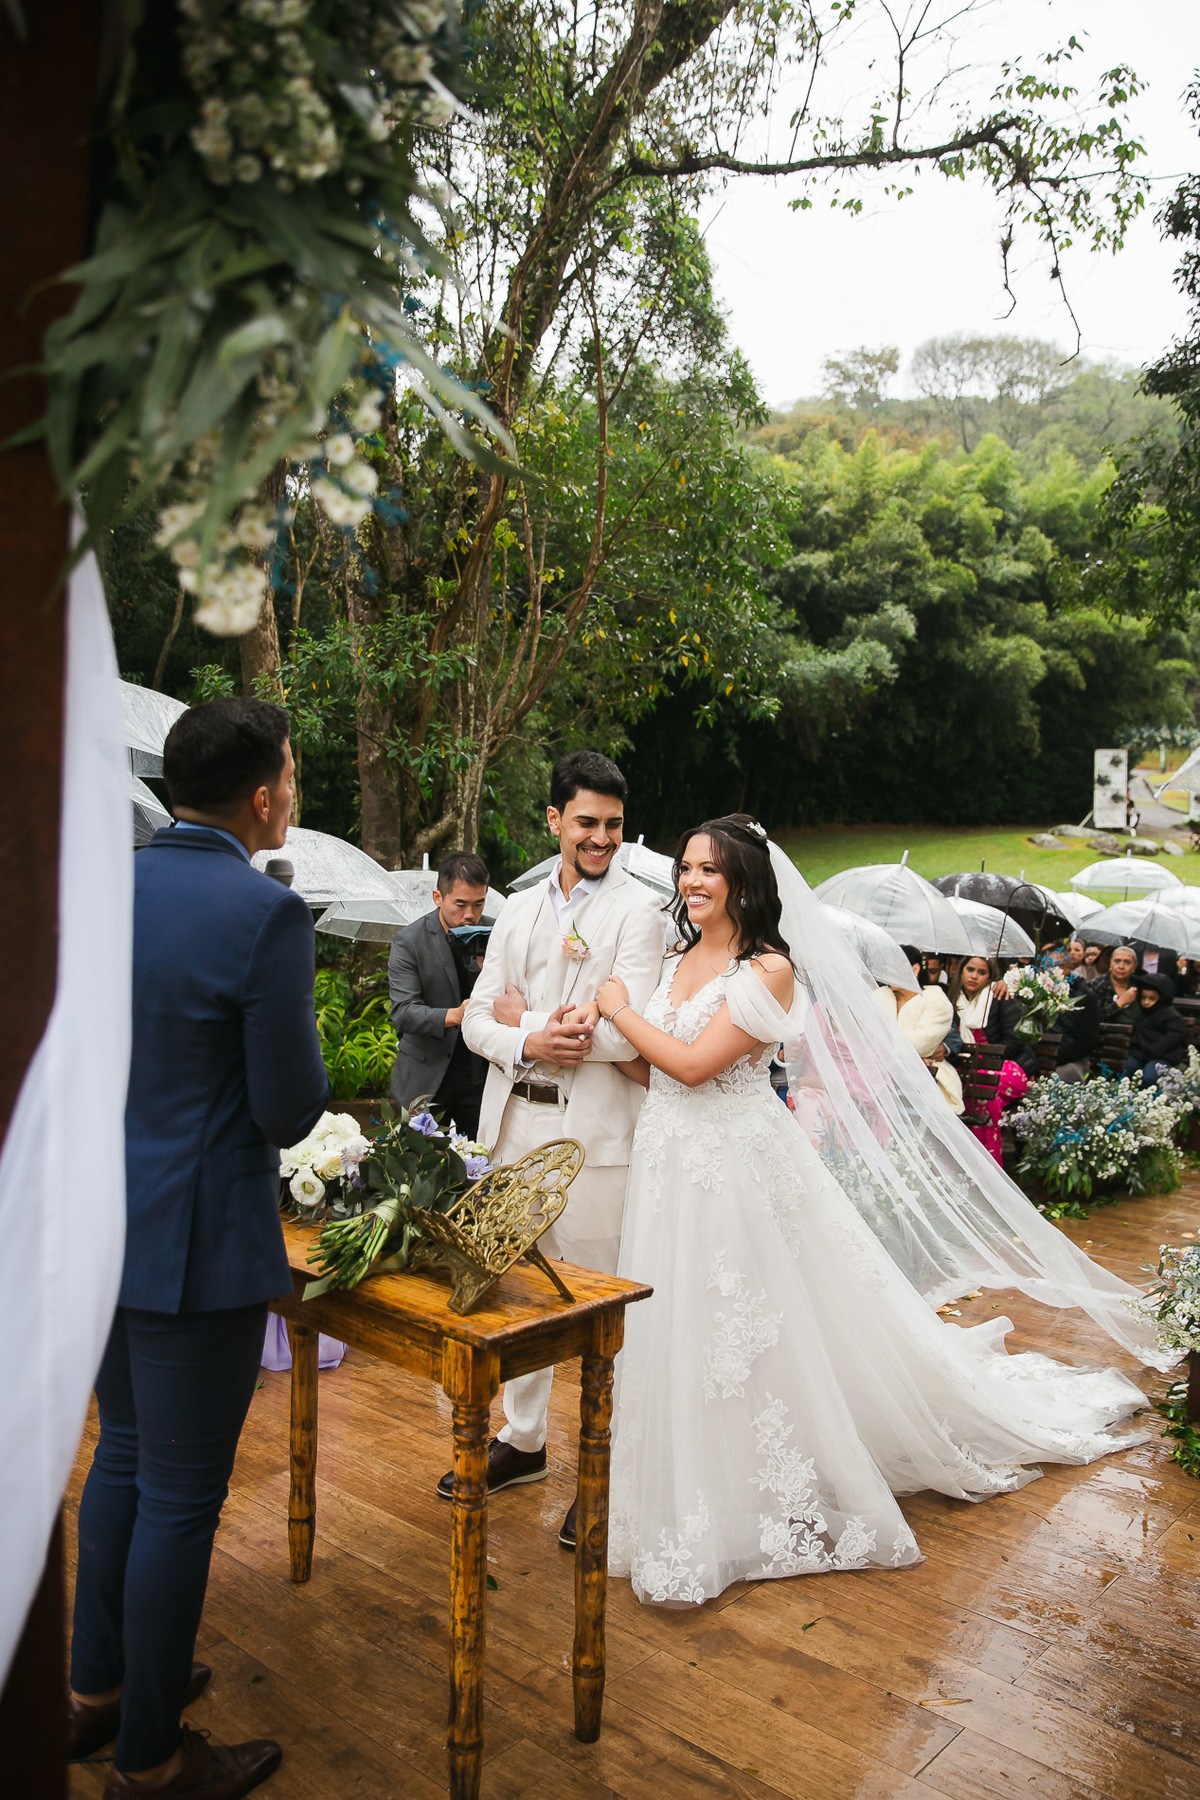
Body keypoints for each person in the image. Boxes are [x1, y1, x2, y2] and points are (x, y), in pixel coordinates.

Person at [587, 817, 1147, 1607]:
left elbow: (691, 1064)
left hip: (736, 1170)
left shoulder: (770, 969)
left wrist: (613, 1006)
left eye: (709, 870)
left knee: (742, 1320)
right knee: (679, 1319)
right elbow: (660, 1077)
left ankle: (756, 1489)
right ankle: (689, 1477)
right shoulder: (677, 959)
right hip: (671, 1162)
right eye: (685, 869)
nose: (692, 882)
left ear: (744, 880)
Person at [69, 699, 330, 1797]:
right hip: (195, 1241)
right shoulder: (263, 915)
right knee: (180, 1497)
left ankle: (97, 1691)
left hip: (93, 1226)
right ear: (265, 796)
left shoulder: (101, 889)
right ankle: (153, 1760)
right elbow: (287, 1109)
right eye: (293, 777)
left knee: (121, 1459)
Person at [448, 750, 665, 1547]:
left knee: (600, 1310)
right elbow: (476, 1020)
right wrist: (531, 1032)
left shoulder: (641, 912)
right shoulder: (514, 909)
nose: (601, 838)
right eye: (586, 823)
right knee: (516, 1297)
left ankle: (613, 1475)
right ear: (554, 821)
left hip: (597, 1142)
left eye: (612, 824)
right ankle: (524, 1440)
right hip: (512, 1130)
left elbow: (631, 1027)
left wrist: (547, 1023)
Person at [389, 851, 492, 1139]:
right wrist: (454, 1015)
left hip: (483, 1075)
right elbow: (403, 1011)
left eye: (478, 903)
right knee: (420, 1172)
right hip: (427, 1076)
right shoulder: (409, 941)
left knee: (488, 1169)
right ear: (438, 897)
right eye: (460, 904)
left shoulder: (497, 932)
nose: (470, 915)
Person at [946, 955, 1030, 1162]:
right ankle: (959, 1161)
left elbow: (1014, 1041)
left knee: (984, 1093)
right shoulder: (951, 999)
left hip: (1005, 1065)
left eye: (981, 972)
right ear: (962, 971)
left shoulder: (1000, 996)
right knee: (954, 1085)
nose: (974, 976)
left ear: (990, 976)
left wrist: (985, 1055)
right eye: (970, 970)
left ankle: (988, 1164)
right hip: (966, 1065)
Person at [880, 947, 963, 1112]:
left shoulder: (937, 1001)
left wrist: (880, 1047)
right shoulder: (880, 996)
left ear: (915, 969)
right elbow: (862, 1036)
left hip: (924, 1075)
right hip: (879, 1072)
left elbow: (920, 1043)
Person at [1125, 972, 1189, 1085]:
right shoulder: (1143, 1014)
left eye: (1151, 998)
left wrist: (1154, 1049)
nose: (1146, 1002)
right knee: (1127, 1070)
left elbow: (1174, 1037)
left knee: (1149, 1077)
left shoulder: (1171, 1016)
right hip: (1140, 1055)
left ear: (1161, 998)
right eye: (1143, 997)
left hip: (1163, 1056)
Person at [1097, 944, 1141, 1023]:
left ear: (1134, 967)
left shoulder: (1141, 986)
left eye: (1127, 962)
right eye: (1117, 961)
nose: (1121, 966)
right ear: (1110, 964)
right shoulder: (1096, 986)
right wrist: (1119, 1003)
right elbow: (1091, 1019)